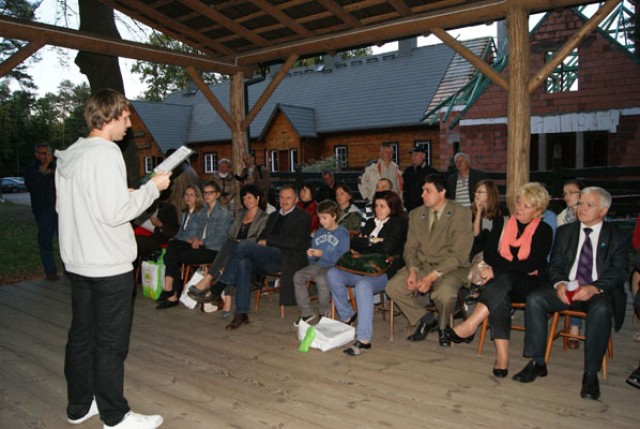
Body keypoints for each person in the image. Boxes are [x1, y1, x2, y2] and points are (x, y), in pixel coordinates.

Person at [55, 89, 170, 429]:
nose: (130, 124)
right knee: (110, 343)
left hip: (78, 263)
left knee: (81, 336)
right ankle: (115, 416)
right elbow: (116, 213)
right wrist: (153, 188)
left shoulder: (71, 155)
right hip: (108, 266)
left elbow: (72, 207)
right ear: (111, 116)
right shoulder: (106, 153)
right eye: (127, 117)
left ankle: (78, 406)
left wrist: (126, 194)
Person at [513, 187, 629, 401]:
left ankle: (590, 374)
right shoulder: (566, 232)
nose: (581, 208)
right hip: (567, 287)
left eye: (589, 205)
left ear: (603, 211)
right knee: (535, 299)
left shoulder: (617, 236)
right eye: (580, 204)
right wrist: (559, 283)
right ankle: (537, 362)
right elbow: (555, 265)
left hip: (597, 292)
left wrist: (594, 287)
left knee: (602, 308)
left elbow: (619, 272)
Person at [444, 183, 553, 377]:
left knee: (501, 279)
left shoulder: (544, 230)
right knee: (499, 293)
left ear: (538, 211)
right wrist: (505, 268)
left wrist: (499, 270)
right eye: (519, 202)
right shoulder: (502, 223)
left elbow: (532, 264)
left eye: (526, 206)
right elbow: (490, 255)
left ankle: (471, 324)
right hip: (505, 283)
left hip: (530, 286)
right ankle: (502, 358)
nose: (519, 208)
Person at [386, 174, 473, 347]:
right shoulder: (416, 214)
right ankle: (426, 319)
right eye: (422, 191)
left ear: (442, 192)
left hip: (452, 268)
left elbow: (458, 254)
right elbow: (410, 248)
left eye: (428, 191)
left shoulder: (461, 214)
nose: (422, 195)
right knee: (393, 287)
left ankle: (443, 327)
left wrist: (430, 278)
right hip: (423, 265)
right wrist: (412, 270)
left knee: (443, 293)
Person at [214, 184, 311, 330]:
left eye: (288, 198)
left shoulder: (303, 217)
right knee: (243, 262)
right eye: (282, 197)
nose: (284, 201)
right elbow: (262, 237)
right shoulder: (274, 216)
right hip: (269, 256)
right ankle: (241, 313)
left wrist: (269, 241)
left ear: (296, 200)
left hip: (287, 258)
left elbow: (295, 242)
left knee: (244, 245)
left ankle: (220, 285)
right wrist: (263, 242)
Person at [328, 190, 407, 355]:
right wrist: (373, 240)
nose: (378, 209)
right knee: (333, 274)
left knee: (363, 285)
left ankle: (363, 339)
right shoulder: (371, 222)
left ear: (392, 207)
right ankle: (348, 315)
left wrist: (367, 242)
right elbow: (355, 242)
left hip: (383, 271)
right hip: (362, 267)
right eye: (376, 206)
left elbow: (388, 248)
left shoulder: (398, 223)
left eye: (382, 206)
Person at [187, 184, 269, 316]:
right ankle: (227, 300)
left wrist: (240, 242)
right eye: (244, 198)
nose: (246, 201)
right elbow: (231, 234)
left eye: (250, 197)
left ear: (257, 198)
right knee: (231, 253)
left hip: (252, 254)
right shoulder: (240, 214)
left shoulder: (264, 217)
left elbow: (258, 241)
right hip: (234, 251)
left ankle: (209, 280)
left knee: (232, 248)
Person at [156, 180, 232, 310]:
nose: (207, 195)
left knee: (173, 254)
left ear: (217, 194)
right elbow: (197, 232)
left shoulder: (222, 212)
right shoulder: (203, 211)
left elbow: (220, 238)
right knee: (173, 249)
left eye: (210, 193)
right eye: (205, 193)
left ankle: (171, 291)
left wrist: (201, 241)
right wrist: (196, 239)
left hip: (214, 250)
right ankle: (170, 291)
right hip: (201, 247)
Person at [293, 200, 351, 325]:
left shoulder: (342, 233)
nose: (321, 221)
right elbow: (313, 260)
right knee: (298, 276)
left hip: (334, 267)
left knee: (321, 278)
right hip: (319, 264)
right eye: (319, 218)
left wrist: (323, 253)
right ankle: (306, 312)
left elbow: (343, 257)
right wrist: (312, 255)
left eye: (324, 218)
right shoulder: (319, 233)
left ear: (334, 216)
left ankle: (324, 311)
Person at [24, 143, 59, 281]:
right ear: (36, 154)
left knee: (64, 240)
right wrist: (44, 168)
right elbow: (32, 185)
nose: (45, 156)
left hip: (59, 208)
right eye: (42, 153)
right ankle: (50, 271)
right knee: (46, 241)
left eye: (47, 153)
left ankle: (69, 270)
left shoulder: (56, 167)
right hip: (43, 210)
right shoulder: (30, 169)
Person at [556, 179, 585, 348]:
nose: (567, 196)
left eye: (571, 192)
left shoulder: (592, 214)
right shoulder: (561, 218)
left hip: (588, 264)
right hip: (567, 264)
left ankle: (575, 326)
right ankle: (575, 324)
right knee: (570, 278)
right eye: (565, 193)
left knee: (578, 277)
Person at [470, 179, 505, 258]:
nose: (476, 194)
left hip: (495, 252)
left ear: (490, 194)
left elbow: (498, 239)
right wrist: (479, 212)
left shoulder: (501, 211)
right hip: (477, 252)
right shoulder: (472, 211)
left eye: (479, 192)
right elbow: (475, 235)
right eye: (475, 192)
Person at [402, 145, 439, 212]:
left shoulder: (431, 172)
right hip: (410, 209)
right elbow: (405, 189)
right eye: (412, 155)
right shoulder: (408, 171)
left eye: (416, 155)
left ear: (423, 156)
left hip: (426, 208)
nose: (413, 157)